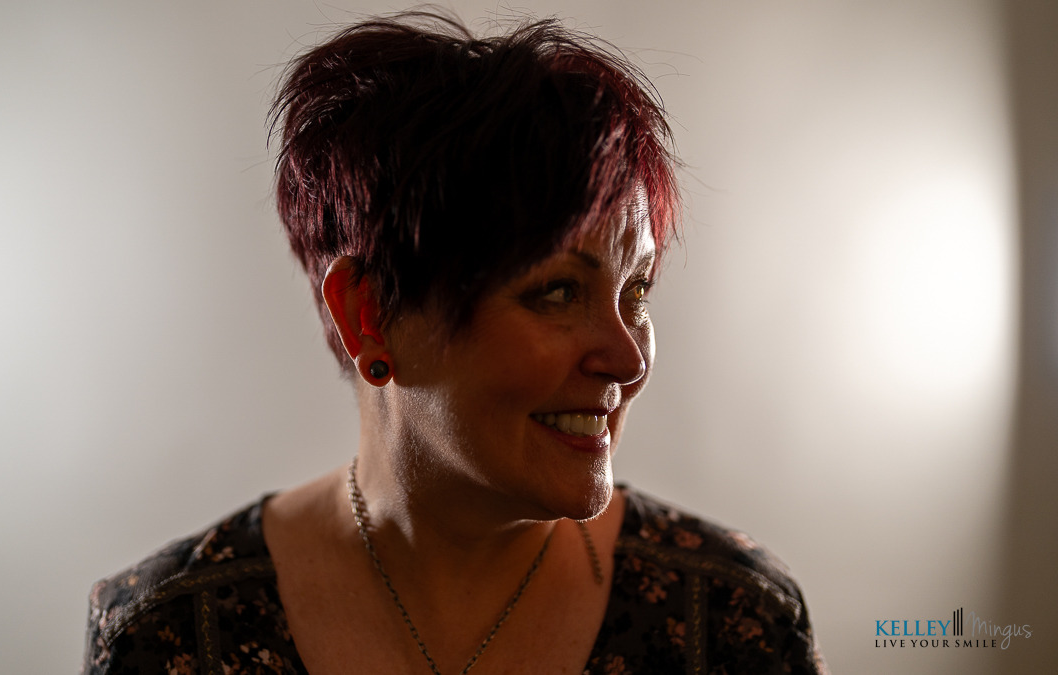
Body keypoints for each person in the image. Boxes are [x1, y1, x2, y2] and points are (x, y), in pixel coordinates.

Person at [82, 12, 828, 675]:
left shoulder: (732, 618)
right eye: (558, 291)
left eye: (636, 293)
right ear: (368, 314)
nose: (628, 360)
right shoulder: (173, 631)